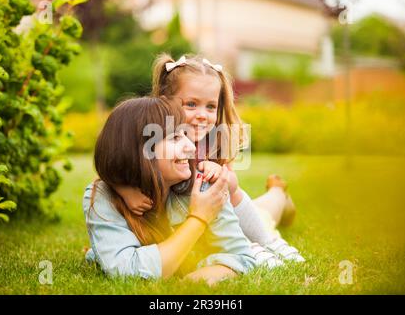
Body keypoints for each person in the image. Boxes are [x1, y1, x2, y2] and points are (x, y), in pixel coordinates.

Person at [117, 54, 305, 264]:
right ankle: (277, 192)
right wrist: (126, 191)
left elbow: (232, 189)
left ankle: (276, 203)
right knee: (264, 210)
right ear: (164, 101)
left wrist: (218, 173)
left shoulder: (213, 141)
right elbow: (111, 170)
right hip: (200, 219)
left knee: (264, 215)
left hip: (227, 214)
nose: (202, 115)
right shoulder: (151, 136)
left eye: (210, 107)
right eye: (191, 104)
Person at [83, 96, 256, 285]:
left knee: (265, 211)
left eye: (185, 135)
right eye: (175, 137)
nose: (191, 147)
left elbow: (242, 257)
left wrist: (194, 280)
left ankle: (279, 194)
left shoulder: (204, 184)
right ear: (139, 150)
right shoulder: (104, 195)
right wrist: (199, 218)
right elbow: (125, 271)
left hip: (242, 214)